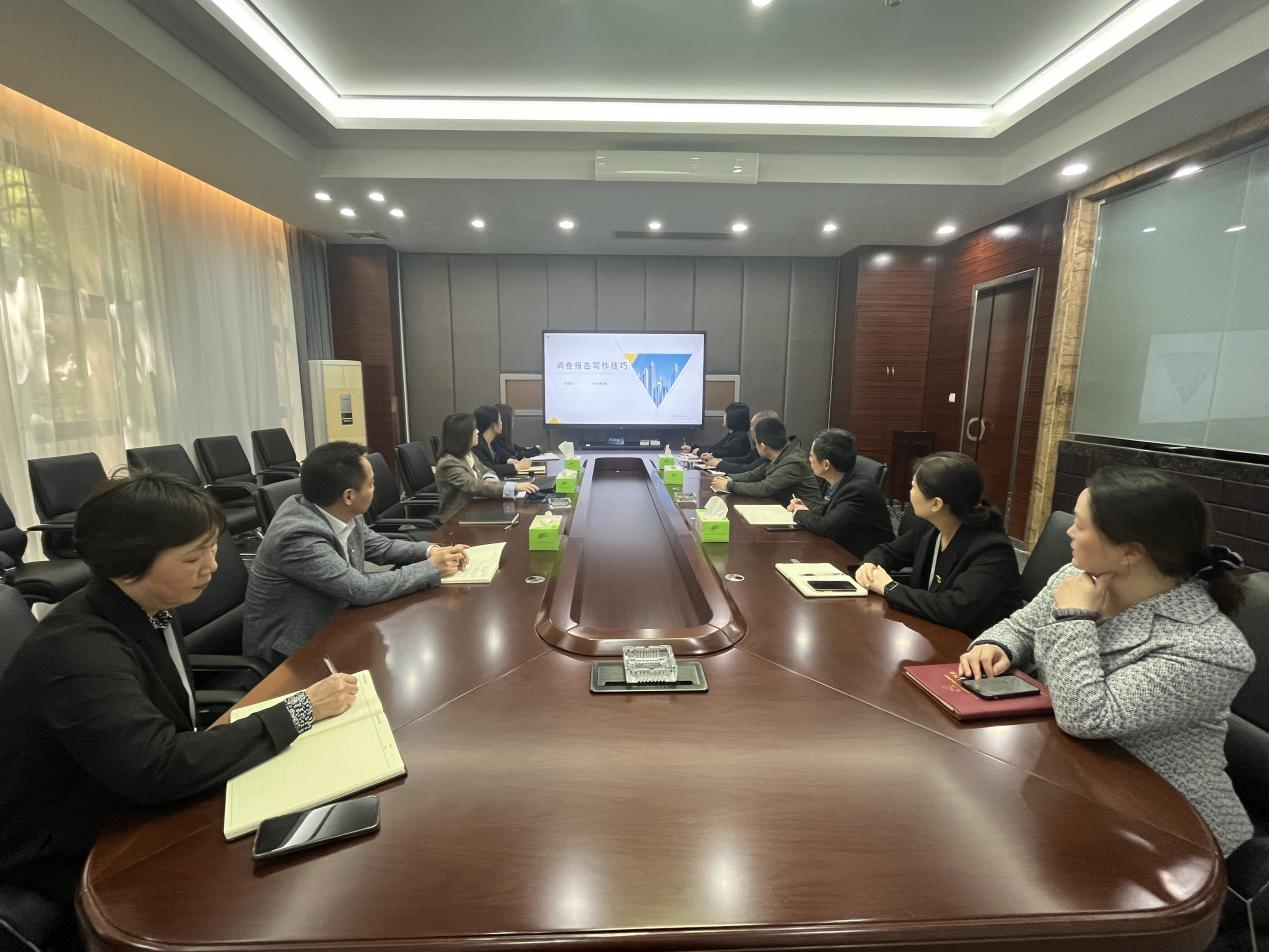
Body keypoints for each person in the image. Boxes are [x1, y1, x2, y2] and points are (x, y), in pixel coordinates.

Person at [0, 473, 360, 943]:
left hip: (132, 800)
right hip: (75, 849)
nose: (212, 566)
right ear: (126, 564)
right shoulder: (78, 650)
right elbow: (155, 767)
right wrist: (300, 711)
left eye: (212, 548)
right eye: (193, 557)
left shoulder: (148, 608)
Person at [960, 467, 1254, 856]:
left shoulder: (1209, 647)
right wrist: (996, 645)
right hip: (1070, 776)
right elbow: (1021, 626)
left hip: (1167, 827)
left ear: (1130, 552)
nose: (1069, 531)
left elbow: (1089, 718)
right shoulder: (1078, 575)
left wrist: (1075, 619)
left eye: (1080, 525)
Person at [243, 441, 469, 665]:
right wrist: (430, 568)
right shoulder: (298, 536)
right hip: (292, 652)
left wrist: (433, 550)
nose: (375, 489)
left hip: (337, 620)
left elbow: (380, 547)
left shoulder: (339, 509)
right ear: (349, 496)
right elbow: (361, 589)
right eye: (371, 484)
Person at [855, 451, 1023, 636]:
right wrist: (870, 565)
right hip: (930, 630)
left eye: (913, 486)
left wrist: (889, 587)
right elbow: (888, 551)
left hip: (973, 643)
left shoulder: (992, 550)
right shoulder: (932, 525)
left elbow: (952, 609)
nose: (909, 492)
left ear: (936, 504)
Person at [788, 428, 894, 557]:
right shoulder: (845, 480)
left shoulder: (857, 490)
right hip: (844, 547)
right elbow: (833, 513)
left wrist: (799, 513)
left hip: (863, 560)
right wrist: (806, 507)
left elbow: (826, 527)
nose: (809, 459)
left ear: (826, 464)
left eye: (811, 455)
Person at [435, 411, 539, 524]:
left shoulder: (468, 454)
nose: (478, 431)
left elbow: (486, 469)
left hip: (475, 510)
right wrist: (514, 486)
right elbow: (474, 485)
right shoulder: (449, 463)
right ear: (463, 434)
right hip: (456, 519)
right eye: (474, 429)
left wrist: (490, 478)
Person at [710, 416, 824, 507]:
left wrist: (729, 485)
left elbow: (764, 488)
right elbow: (753, 475)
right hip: (788, 509)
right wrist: (727, 478)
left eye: (755, 442)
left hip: (808, 516)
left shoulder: (793, 463)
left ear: (763, 446)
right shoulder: (778, 455)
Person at [700, 408, 776, 474]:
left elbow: (747, 469)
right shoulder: (760, 448)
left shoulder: (766, 451)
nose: (751, 429)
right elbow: (745, 459)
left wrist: (719, 464)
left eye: (752, 426)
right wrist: (720, 460)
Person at [474, 404, 532, 478]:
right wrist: (518, 466)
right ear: (493, 425)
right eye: (500, 420)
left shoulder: (493, 442)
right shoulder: (477, 445)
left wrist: (509, 461)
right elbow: (488, 469)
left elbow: (502, 456)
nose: (502, 423)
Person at [682, 402, 751, 460]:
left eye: (725, 414)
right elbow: (715, 447)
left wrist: (699, 451)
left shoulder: (739, 438)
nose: (724, 417)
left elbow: (719, 453)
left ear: (733, 417)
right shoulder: (733, 434)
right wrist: (693, 448)